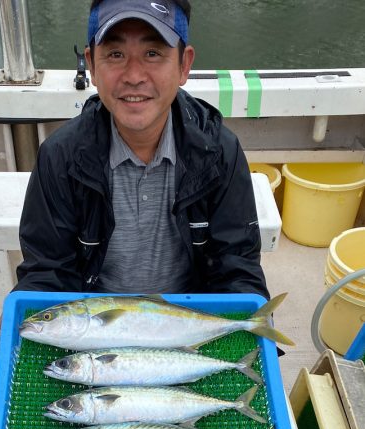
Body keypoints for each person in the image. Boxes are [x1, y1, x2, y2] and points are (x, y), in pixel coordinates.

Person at [14, 0, 269, 299]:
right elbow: (47, 273)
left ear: (184, 65)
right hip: (96, 316)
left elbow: (237, 269)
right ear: (92, 65)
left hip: (189, 316)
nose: (134, 76)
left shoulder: (219, 152)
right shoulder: (59, 157)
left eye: (152, 53)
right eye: (116, 54)